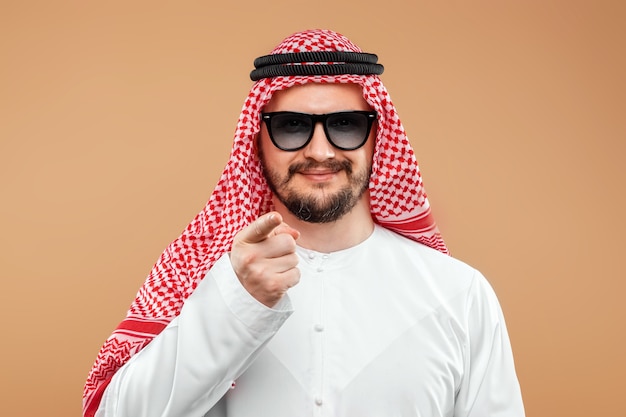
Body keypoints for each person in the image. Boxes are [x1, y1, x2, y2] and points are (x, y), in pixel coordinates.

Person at [83, 29, 525, 417]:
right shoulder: (205, 279)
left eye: (346, 125)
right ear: (257, 142)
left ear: (378, 137)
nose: (319, 151)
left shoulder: (458, 294)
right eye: (292, 126)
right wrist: (237, 302)